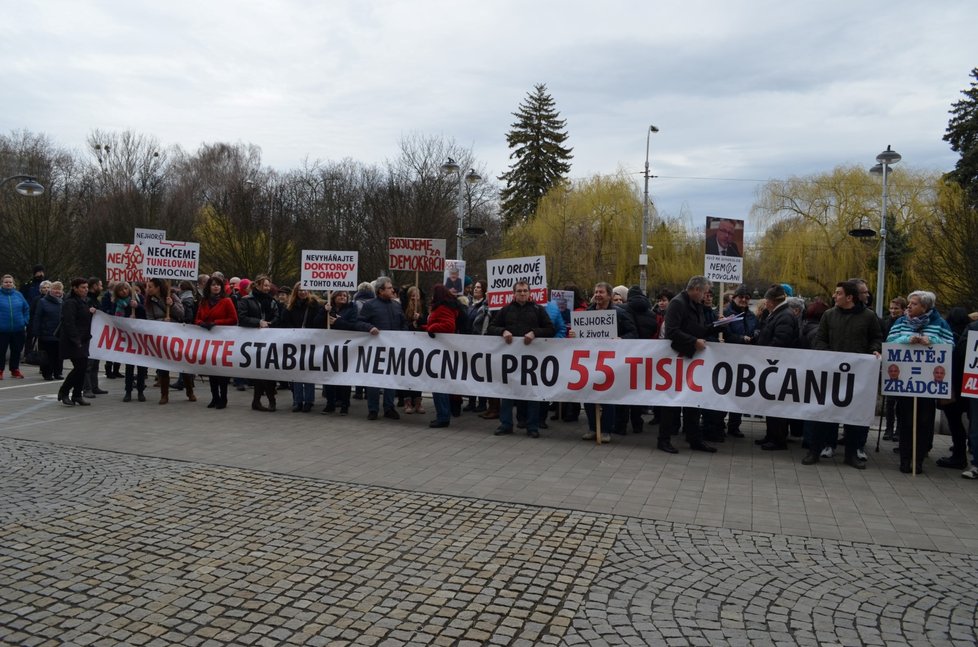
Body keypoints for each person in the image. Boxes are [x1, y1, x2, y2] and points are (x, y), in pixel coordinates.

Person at [802, 281, 883, 469]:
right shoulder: (829, 315)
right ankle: (814, 451)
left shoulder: (869, 317)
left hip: (857, 375)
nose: (834, 296)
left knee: (854, 415)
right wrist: (827, 355)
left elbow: (876, 339)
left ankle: (851, 454)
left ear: (850, 297)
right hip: (831, 373)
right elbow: (820, 339)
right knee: (822, 413)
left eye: (838, 293)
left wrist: (874, 351)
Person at [886, 290, 954, 474]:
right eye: (908, 303)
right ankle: (905, 458)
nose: (908, 307)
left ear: (925, 307)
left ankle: (918, 459)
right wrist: (907, 339)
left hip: (927, 384)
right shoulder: (901, 322)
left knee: (924, 421)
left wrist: (931, 340)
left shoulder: (939, 323)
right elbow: (890, 341)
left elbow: (950, 344)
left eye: (913, 304)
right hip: (906, 381)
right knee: (906, 420)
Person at [486, 281, 556, 438]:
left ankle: (532, 426)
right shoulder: (505, 310)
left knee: (531, 393)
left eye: (525, 291)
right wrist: (503, 331)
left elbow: (550, 329)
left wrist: (534, 333)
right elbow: (491, 328)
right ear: (514, 293)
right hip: (510, 360)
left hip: (532, 361)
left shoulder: (538, 310)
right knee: (508, 392)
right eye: (519, 291)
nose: (522, 293)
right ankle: (506, 424)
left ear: (530, 293)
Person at [661, 276, 716, 453]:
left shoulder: (696, 304)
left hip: (691, 358)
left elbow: (698, 328)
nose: (705, 297)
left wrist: (717, 326)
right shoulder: (678, 303)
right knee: (673, 403)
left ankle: (694, 439)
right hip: (677, 359)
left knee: (694, 400)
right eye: (705, 292)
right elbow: (672, 331)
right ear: (696, 290)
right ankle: (664, 439)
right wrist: (693, 341)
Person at [753, 284, 800, 451]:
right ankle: (771, 435)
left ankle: (778, 439)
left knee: (777, 404)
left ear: (772, 301)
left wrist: (765, 353)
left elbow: (781, 341)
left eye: (766, 300)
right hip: (772, 364)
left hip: (777, 365)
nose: (765, 303)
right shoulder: (778, 314)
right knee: (770, 403)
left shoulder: (784, 316)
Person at [358, 276, 409, 421]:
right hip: (375, 350)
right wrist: (370, 327)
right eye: (389, 288)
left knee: (390, 379)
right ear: (380, 291)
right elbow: (359, 323)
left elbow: (403, 323)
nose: (393, 290)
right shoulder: (370, 305)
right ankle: (373, 409)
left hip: (393, 349)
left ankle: (389, 408)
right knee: (374, 380)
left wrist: (404, 334)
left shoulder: (396, 305)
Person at [423, 284, 466, 428]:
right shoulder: (446, 306)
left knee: (438, 384)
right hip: (441, 349)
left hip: (441, 350)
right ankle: (444, 414)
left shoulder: (443, 308)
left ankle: (443, 416)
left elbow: (448, 326)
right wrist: (425, 327)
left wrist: (431, 328)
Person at [237, 275, 281, 412]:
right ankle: (266, 400)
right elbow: (242, 318)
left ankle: (260, 401)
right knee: (259, 372)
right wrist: (258, 322)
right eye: (264, 285)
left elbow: (277, 316)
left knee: (268, 371)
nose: (267, 288)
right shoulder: (246, 300)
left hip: (269, 340)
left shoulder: (272, 301)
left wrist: (271, 323)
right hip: (253, 341)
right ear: (257, 285)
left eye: (269, 285)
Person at [196, 276, 238, 408]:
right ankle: (214, 397)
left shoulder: (226, 301)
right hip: (207, 340)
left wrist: (216, 323)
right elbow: (196, 318)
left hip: (222, 341)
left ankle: (223, 398)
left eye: (218, 285)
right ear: (209, 287)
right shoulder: (204, 301)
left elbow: (233, 319)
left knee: (222, 372)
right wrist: (202, 323)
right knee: (211, 370)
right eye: (213, 285)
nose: (216, 287)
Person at [315, 290, 360, 415]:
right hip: (329, 346)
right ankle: (330, 404)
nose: (343, 297)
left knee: (344, 376)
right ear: (333, 297)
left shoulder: (352, 308)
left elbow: (354, 325)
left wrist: (337, 322)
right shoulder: (327, 307)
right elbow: (316, 323)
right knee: (329, 376)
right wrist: (324, 311)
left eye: (345, 295)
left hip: (346, 346)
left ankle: (345, 405)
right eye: (340, 295)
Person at [722, 285, 758, 438]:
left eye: (747, 298)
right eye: (741, 297)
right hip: (727, 359)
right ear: (734, 297)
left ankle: (734, 425)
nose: (743, 300)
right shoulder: (725, 314)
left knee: (739, 393)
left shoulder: (751, 316)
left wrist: (755, 335)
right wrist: (741, 339)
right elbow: (726, 335)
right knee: (723, 392)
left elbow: (757, 329)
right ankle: (718, 423)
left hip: (745, 360)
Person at [143, 278, 185, 405]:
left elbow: (182, 314)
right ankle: (164, 394)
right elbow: (149, 319)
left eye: (150, 287)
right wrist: (161, 322)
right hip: (160, 336)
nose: (147, 289)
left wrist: (171, 305)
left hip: (175, 335)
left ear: (158, 287)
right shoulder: (149, 301)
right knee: (163, 365)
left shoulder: (171, 296)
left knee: (182, 364)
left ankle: (189, 390)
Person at [281, 282, 321, 412]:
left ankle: (309, 401)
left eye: (305, 290)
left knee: (308, 373)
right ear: (296, 292)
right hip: (295, 344)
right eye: (300, 290)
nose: (302, 292)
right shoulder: (290, 307)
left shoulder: (315, 306)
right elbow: (285, 324)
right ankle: (297, 401)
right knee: (296, 373)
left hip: (310, 343)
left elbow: (318, 323)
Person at [57, 278, 95, 406]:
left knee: (82, 368)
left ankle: (77, 394)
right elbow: (69, 322)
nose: (85, 290)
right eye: (82, 287)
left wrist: (90, 312)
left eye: (86, 287)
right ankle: (64, 391)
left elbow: (82, 318)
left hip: (82, 339)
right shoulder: (70, 302)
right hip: (73, 340)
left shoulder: (83, 302)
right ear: (75, 288)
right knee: (80, 367)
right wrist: (76, 339)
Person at [110, 281, 148, 402]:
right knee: (129, 366)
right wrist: (127, 318)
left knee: (141, 365)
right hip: (127, 337)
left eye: (126, 289)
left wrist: (137, 307)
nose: (124, 291)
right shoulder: (116, 303)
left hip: (140, 336)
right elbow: (114, 318)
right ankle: (128, 391)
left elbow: (146, 313)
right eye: (121, 290)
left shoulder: (139, 298)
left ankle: (141, 391)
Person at [463, 279, 490, 414]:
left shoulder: (485, 306)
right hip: (468, 342)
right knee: (470, 373)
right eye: (475, 287)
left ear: (484, 290)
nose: (476, 289)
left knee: (480, 373)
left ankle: (482, 402)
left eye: (479, 287)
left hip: (479, 343)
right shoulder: (469, 304)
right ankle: (471, 401)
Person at [0, 274, 31, 379]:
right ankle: (0, 370)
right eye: (6, 282)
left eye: (10, 282)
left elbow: (26, 308)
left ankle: (15, 370)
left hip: (18, 329)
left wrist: (25, 321)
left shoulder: (18, 295)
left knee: (17, 350)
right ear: (2, 283)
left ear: (13, 284)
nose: (8, 284)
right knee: (1, 351)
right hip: (2, 330)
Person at [33, 280, 64, 380]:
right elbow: (37, 317)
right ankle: (47, 373)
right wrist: (36, 332)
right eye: (55, 289)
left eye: (59, 289)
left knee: (59, 355)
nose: (57, 291)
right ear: (50, 290)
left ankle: (58, 373)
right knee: (48, 356)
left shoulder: (63, 302)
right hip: (46, 334)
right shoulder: (42, 302)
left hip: (60, 334)